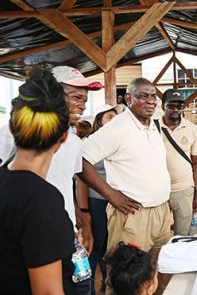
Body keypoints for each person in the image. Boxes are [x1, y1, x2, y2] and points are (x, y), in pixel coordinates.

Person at [0, 65, 101, 293]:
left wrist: (77, 222)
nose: (82, 104)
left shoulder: (9, 183)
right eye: (76, 96)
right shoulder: (43, 201)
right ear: (64, 136)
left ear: (13, 126)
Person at [78, 78, 171, 294]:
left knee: (156, 274)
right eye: (142, 96)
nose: (150, 101)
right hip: (133, 215)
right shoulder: (117, 127)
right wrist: (111, 195)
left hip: (161, 213)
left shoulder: (151, 125)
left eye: (153, 96)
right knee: (124, 281)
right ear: (127, 98)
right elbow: (80, 160)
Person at [76, 104, 123, 294]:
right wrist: (85, 211)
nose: (113, 121)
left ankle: (106, 282)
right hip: (97, 202)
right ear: (99, 121)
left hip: (116, 203)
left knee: (110, 247)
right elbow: (81, 179)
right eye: (109, 117)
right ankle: (88, 288)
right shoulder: (89, 143)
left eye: (116, 117)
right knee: (95, 245)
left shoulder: (119, 142)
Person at [160, 89, 197, 236]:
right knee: (159, 233)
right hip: (158, 190)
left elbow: (196, 165)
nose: (176, 110)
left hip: (184, 189)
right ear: (162, 106)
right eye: (171, 106)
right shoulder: (153, 127)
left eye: (179, 106)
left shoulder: (193, 129)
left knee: (182, 234)